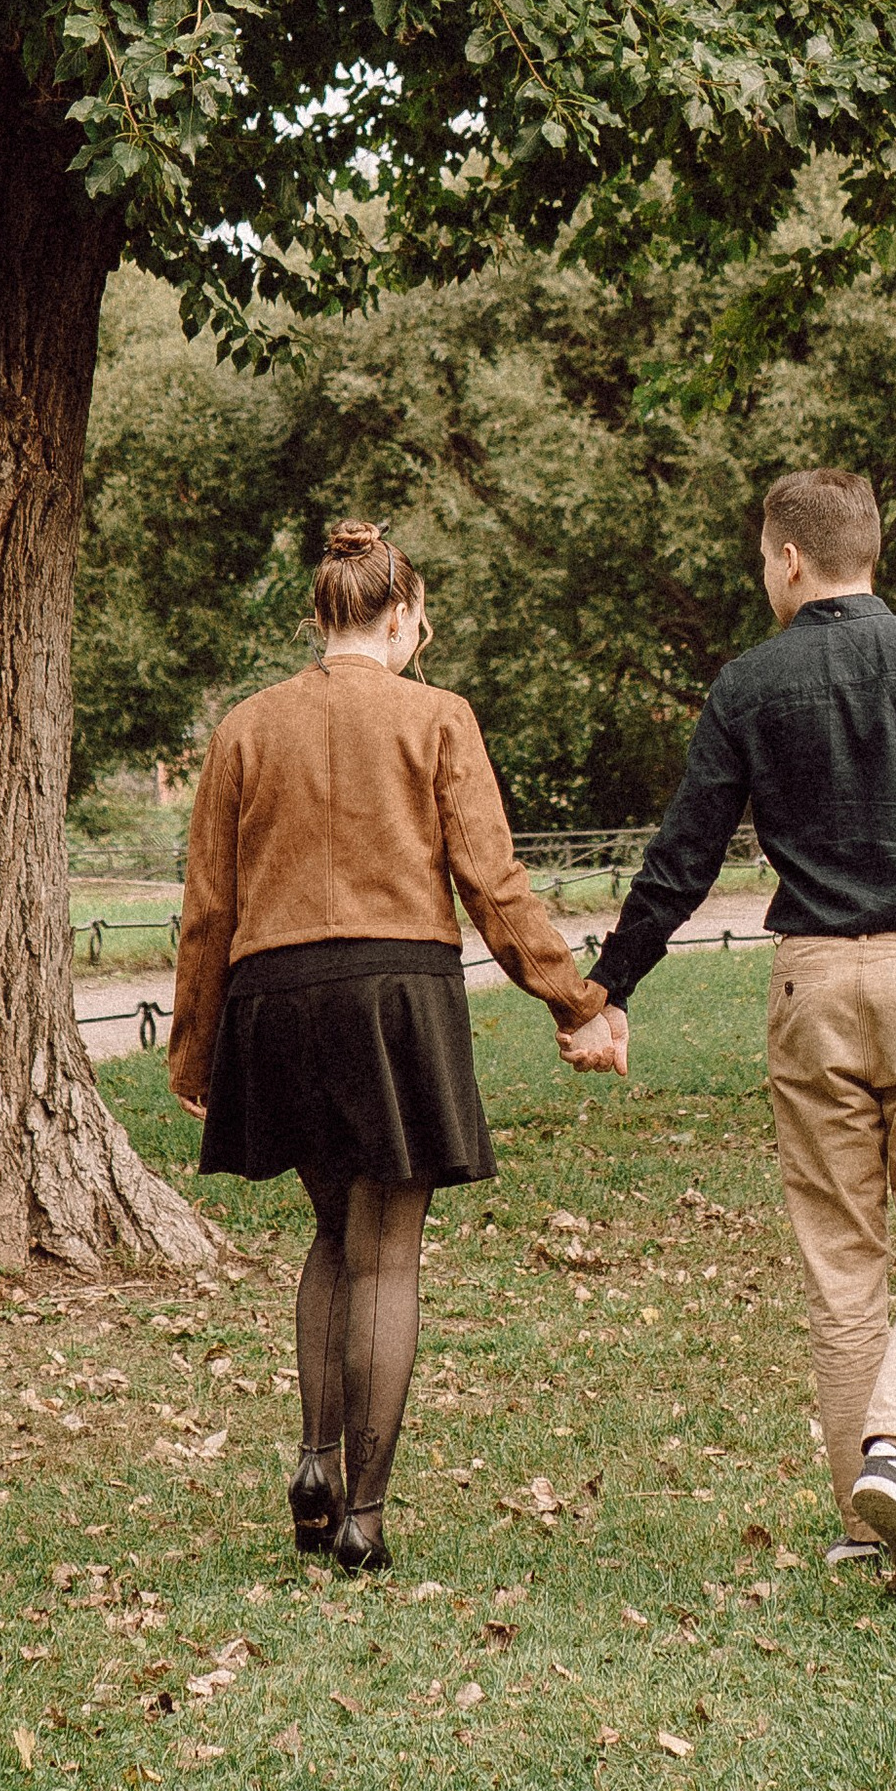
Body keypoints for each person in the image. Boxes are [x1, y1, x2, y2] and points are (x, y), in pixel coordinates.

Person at [571, 467, 896, 1591]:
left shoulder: (751, 683)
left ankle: (865, 1522)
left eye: (763, 558)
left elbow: (682, 857)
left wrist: (611, 992)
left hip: (811, 988)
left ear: (791, 559)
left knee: (842, 1263)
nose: (764, 574)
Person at [168, 517, 627, 1573]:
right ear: (405, 618)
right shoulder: (438, 717)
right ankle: (362, 1521)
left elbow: (208, 906)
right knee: (388, 1256)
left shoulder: (245, 727)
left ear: (319, 615)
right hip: (395, 992)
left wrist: (194, 1052)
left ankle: (314, 1459)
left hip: (276, 995)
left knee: (332, 1230)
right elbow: (492, 882)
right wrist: (575, 1002)